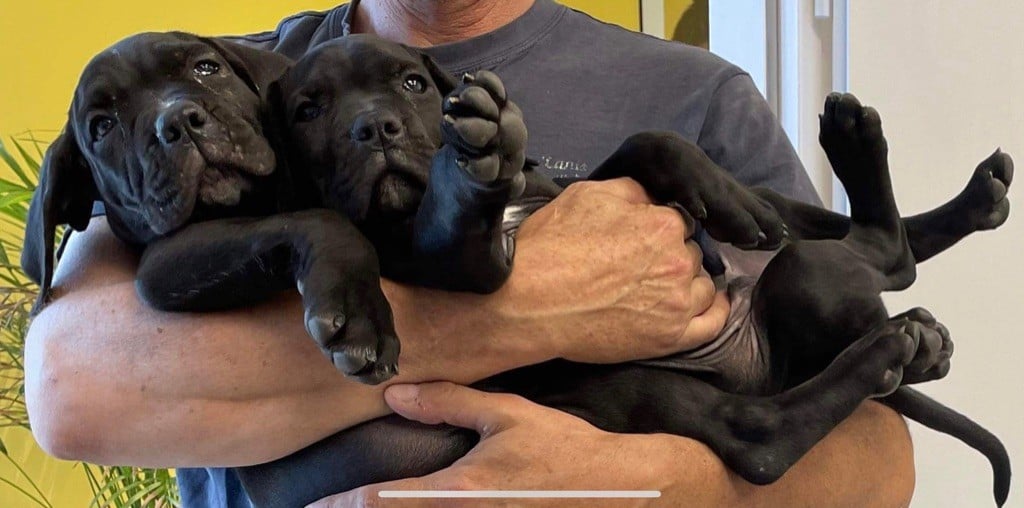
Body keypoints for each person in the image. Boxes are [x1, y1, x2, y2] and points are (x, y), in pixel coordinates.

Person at [23, 0, 915, 507]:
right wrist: (535, 305)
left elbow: (881, 461)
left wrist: (650, 482)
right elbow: (72, 391)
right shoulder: (231, 81)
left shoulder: (696, 97)